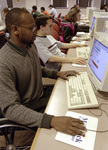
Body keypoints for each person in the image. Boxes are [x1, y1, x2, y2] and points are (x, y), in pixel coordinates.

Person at [0, 8, 86, 136]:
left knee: (75, 99)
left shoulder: (29, 45)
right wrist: (51, 120)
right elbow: (11, 108)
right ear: (15, 29)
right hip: (28, 108)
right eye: (31, 28)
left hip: (39, 95)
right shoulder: (3, 63)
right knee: (69, 121)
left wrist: (56, 74)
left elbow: (34, 68)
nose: (36, 31)